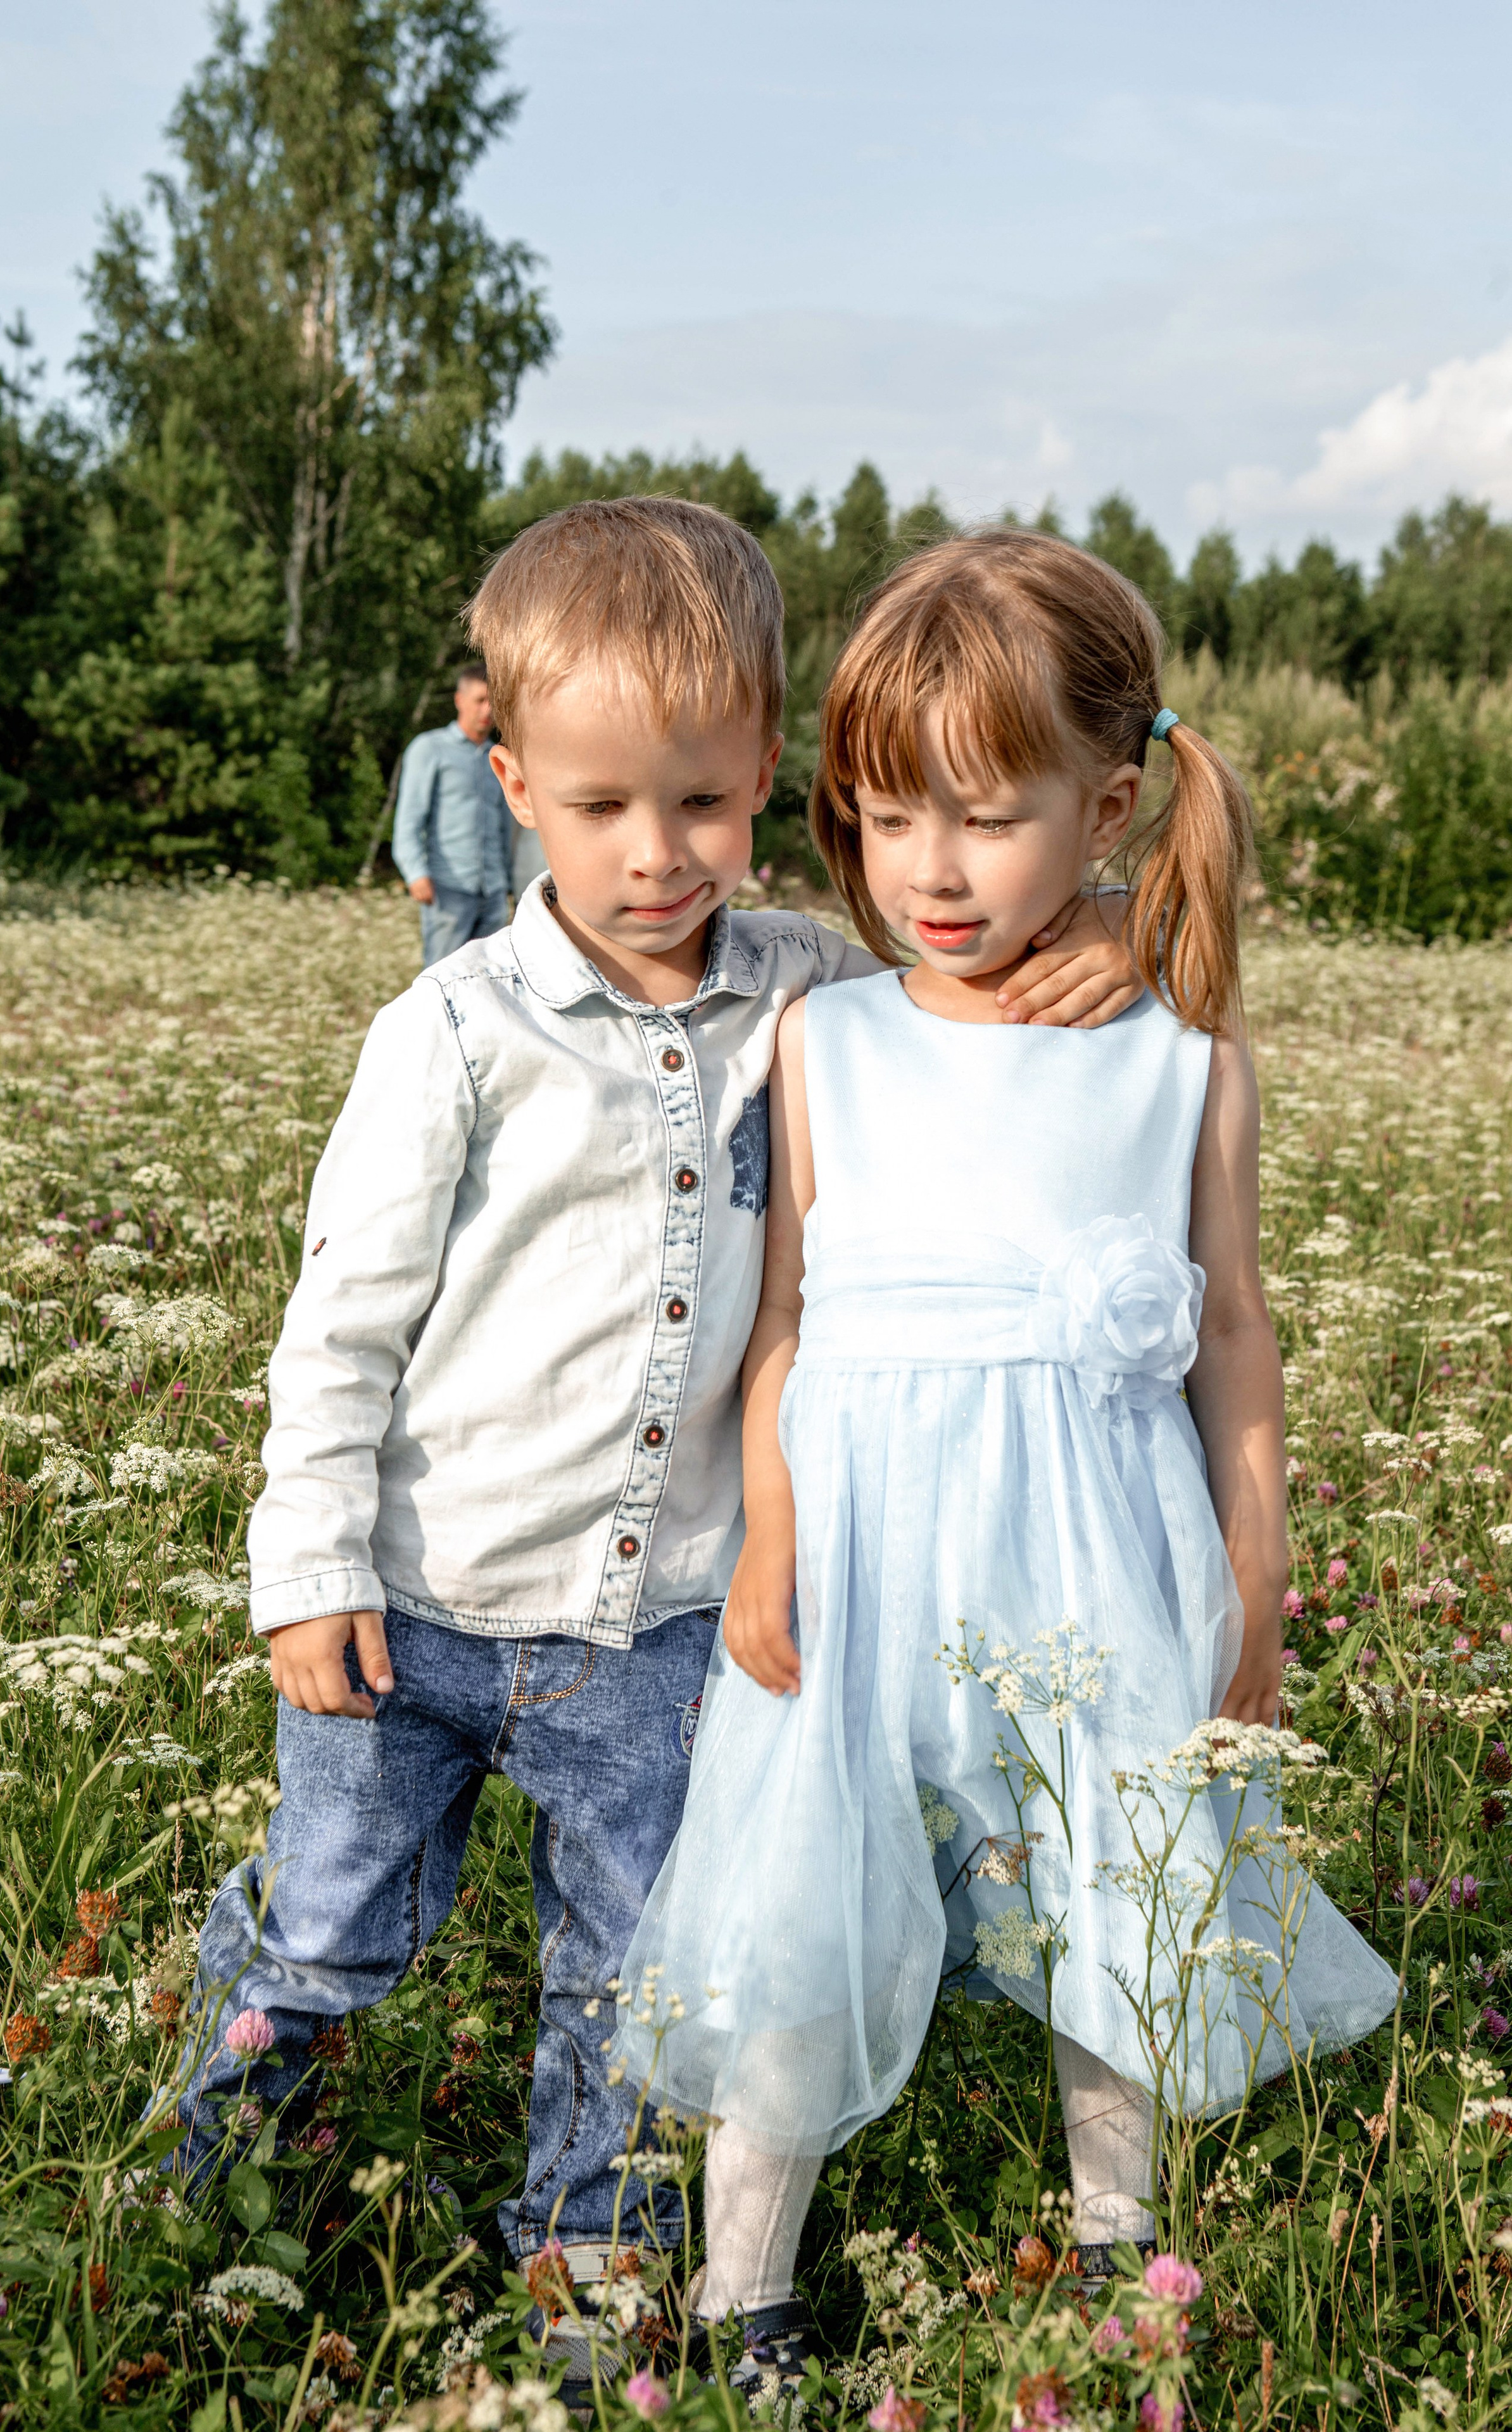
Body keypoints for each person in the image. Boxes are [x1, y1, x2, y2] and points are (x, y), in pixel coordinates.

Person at [157, 501, 1143, 2393]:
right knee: (335, 1931)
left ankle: (588, 2276)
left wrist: (1094, 925)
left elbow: (984, 954)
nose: (653, 852)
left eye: (697, 801)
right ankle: (199, 2181)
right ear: (511, 782)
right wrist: (307, 1577)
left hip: (669, 1623)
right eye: (601, 804)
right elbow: (340, 1323)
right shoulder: (451, 1028)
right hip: (421, 1608)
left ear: (767, 769)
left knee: (633, 1977)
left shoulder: (806, 987)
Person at [615, 528, 1399, 2375]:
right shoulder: (826, 1036)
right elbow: (785, 1321)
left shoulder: (1177, 1056)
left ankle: (1123, 2240)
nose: (930, 871)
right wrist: (768, 1529)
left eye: (982, 816)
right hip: (862, 1547)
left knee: (1116, 1881)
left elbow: (1231, 1334)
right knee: (801, 1885)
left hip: (1097, 1546)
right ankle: (747, 2287)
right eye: (887, 820)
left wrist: (1255, 1583)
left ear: (1110, 803)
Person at [391, 662, 514, 964]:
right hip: (449, 888)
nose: (487, 710)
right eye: (480, 700)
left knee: (492, 981)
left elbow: (507, 827)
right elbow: (409, 818)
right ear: (460, 700)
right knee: (442, 980)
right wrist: (415, 873)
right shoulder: (430, 748)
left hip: (494, 891)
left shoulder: (498, 757)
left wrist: (510, 882)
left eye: (493, 702)